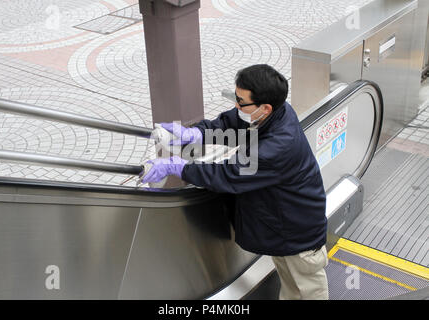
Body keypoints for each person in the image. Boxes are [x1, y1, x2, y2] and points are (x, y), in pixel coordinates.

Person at [141, 64, 329, 300]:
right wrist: (198, 133)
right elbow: (232, 123)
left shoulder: (277, 147)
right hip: (283, 228)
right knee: (292, 289)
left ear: (265, 107)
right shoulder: (275, 113)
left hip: (299, 237)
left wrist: (177, 167)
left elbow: (228, 175)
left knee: (307, 291)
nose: (236, 106)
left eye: (241, 101)